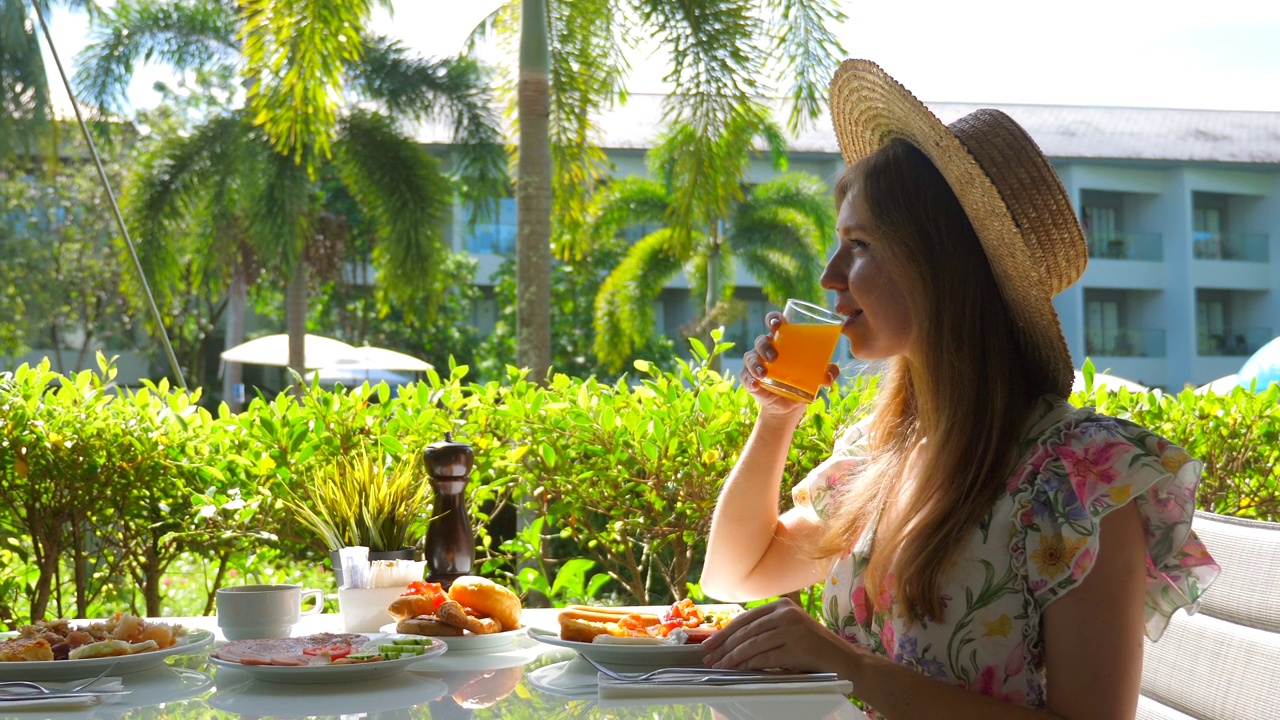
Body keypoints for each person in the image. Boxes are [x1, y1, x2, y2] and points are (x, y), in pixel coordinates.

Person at [698, 59, 1221, 720]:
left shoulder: (1074, 479)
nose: (830, 275)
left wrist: (850, 666)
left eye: (857, 244)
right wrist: (777, 419)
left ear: (941, 265)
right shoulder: (880, 454)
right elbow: (734, 575)